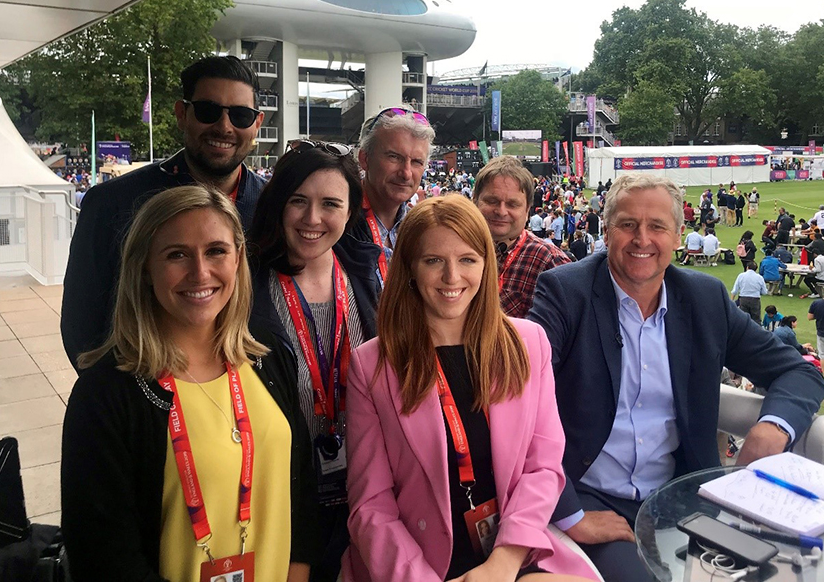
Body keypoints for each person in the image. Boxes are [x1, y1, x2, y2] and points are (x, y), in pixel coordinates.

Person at [526, 174, 824, 582]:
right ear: (606, 229)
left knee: (767, 573)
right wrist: (571, 514)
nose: (641, 239)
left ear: (679, 235)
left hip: (682, 497)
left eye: (657, 227)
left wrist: (773, 427)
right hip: (592, 496)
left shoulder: (705, 299)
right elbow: (521, 398)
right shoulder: (565, 292)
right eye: (628, 224)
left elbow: (797, 369)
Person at [61, 186, 319, 582]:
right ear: (145, 268)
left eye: (216, 251)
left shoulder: (269, 359)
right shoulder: (107, 396)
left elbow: (300, 488)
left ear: (238, 259)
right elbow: (103, 557)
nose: (201, 273)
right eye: (177, 254)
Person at [342, 196, 598, 581]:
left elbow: (542, 466)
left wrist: (504, 563)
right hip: (414, 566)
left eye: (467, 259)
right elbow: (371, 506)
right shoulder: (372, 366)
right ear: (409, 268)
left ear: (486, 264)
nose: (452, 277)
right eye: (433, 261)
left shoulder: (529, 343)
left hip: (514, 555)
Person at [61, 56, 267, 369]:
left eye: (240, 115)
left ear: (257, 124)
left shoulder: (274, 206)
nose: (224, 127)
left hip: (248, 397)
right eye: (208, 111)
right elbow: (83, 324)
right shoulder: (111, 204)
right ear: (182, 114)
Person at [246, 141, 380, 582]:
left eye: (330, 204)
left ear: (351, 210)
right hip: (282, 498)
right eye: (298, 201)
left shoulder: (365, 277)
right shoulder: (245, 287)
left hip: (363, 492)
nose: (311, 219)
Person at [347, 106, 436, 288]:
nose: (406, 173)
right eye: (394, 157)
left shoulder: (423, 228)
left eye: (417, 162)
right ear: (364, 159)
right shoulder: (337, 225)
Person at [473, 156, 570, 318]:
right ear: (475, 201)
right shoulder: (455, 250)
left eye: (512, 204)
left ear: (527, 211)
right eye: (492, 201)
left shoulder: (550, 262)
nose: (501, 211)